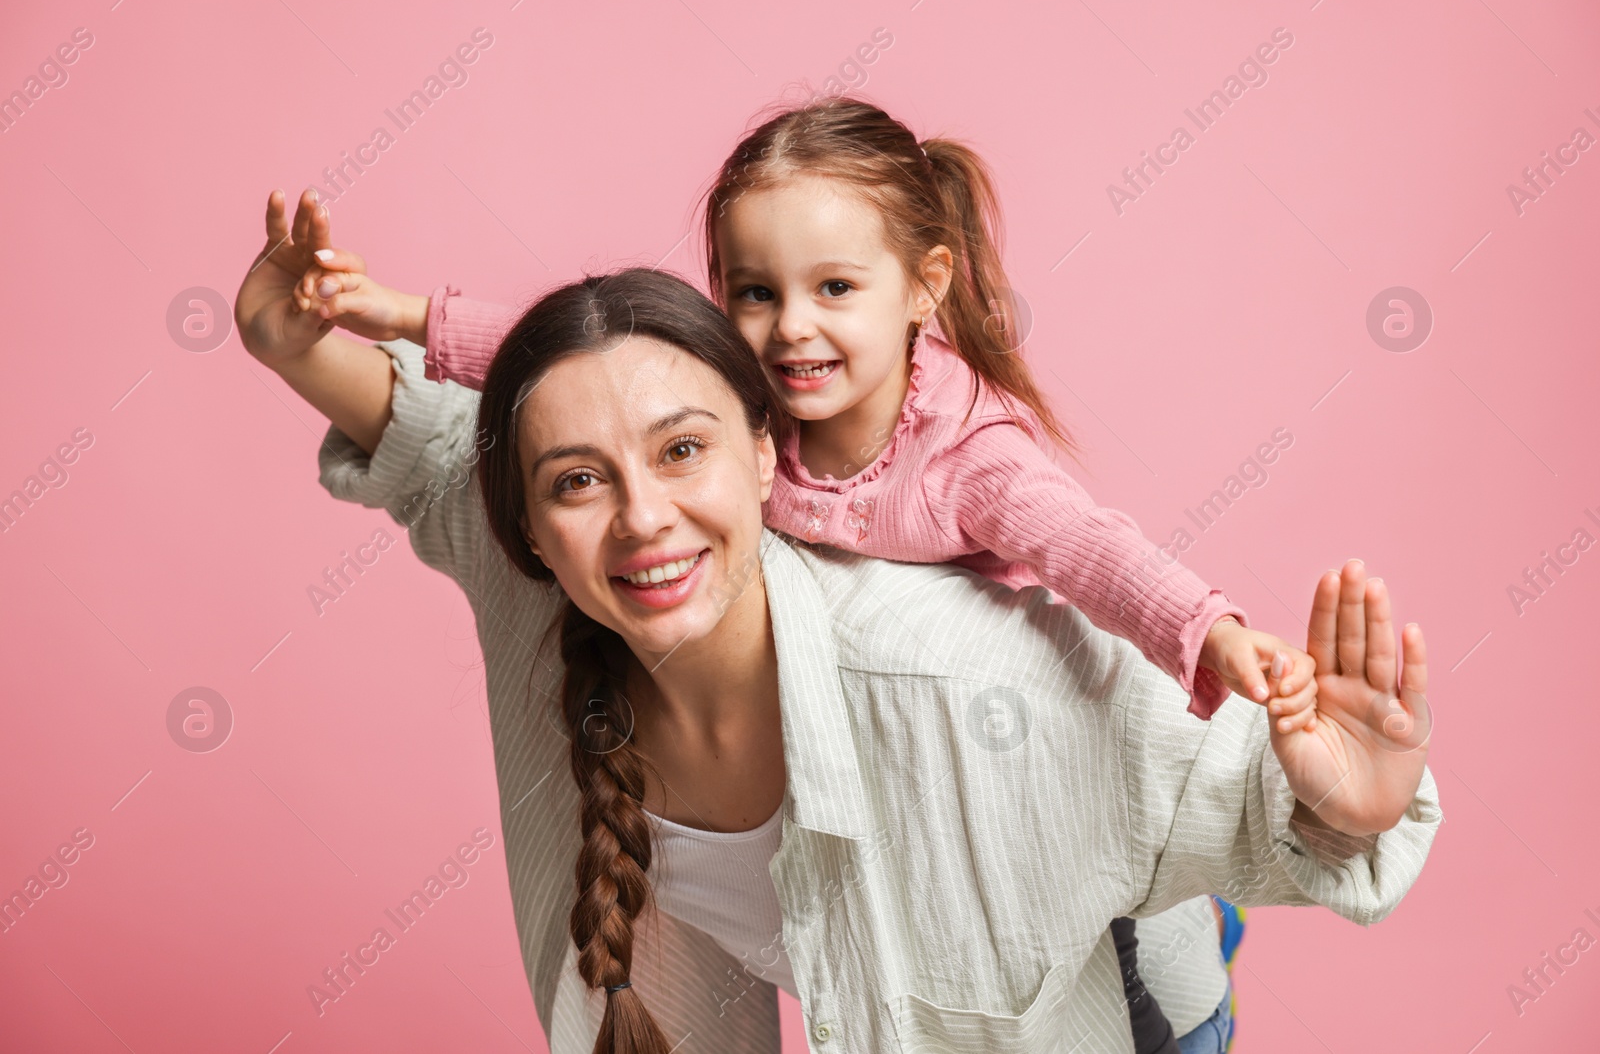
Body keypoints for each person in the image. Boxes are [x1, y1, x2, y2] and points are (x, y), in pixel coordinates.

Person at [236, 199, 1439, 1054]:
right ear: (530, 524)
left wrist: (1348, 799)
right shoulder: (547, 590)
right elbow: (447, 443)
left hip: (1123, 996)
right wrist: (291, 342)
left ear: (767, 453)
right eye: (578, 481)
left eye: (683, 448)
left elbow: (1232, 798)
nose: (643, 519)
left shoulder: (948, 669)